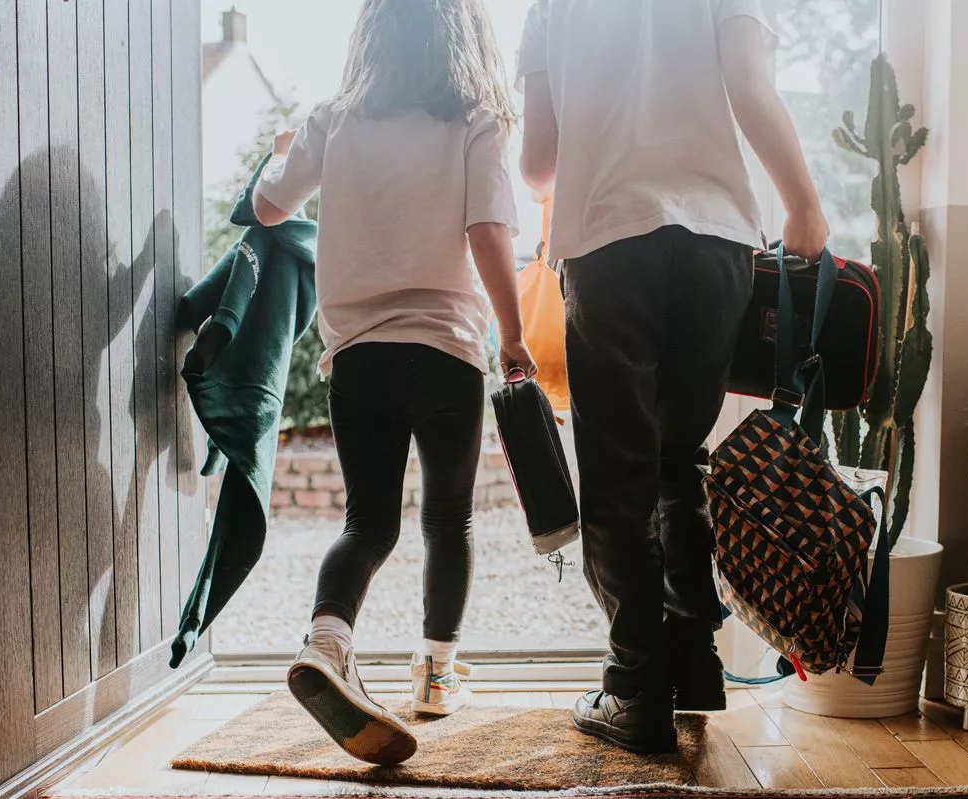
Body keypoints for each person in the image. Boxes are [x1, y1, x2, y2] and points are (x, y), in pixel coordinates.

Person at [517, 0, 830, 754]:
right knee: (678, 458)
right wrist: (804, 205)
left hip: (609, 240)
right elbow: (751, 88)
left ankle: (633, 687)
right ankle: (694, 659)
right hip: (716, 244)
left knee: (619, 478)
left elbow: (537, 163)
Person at [252, 0, 536, 766]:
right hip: (446, 354)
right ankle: (438, 675)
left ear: (371, 33)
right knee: (450, 521)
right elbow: (488, 231)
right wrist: (510, 335)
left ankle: (325, 642)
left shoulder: (334, 118)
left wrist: (285, 153)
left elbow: (268, 205)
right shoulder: (477, 119)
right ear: (464, 37)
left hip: (360, 358)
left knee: (368, 522)